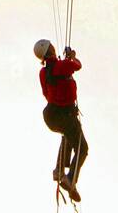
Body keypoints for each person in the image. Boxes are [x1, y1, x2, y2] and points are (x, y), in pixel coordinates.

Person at [33, 38, 88, 202]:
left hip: (51, 115)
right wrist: (72, 57)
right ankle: (70, 178)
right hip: (64, 115)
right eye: (52, 47)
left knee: (68, 135)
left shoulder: (44, 72)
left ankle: (59, 170)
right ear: (49, 50)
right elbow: (77, 66)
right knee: (82, 148)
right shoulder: (61, 66)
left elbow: (46, 93)